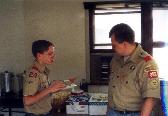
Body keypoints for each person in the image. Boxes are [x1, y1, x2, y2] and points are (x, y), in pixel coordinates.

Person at [107, 23, 160, 116]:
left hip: (134, 113)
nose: (112, 48)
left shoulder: (147, 64)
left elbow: (151, 97)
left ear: (125, 44)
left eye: (114, 45)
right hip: (112, 111)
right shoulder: (115, 59)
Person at [23, 40, 66, 116]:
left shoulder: (43, 70)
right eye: (50, 54)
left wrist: (52, 86)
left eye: (53, 53)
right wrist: (50, 89)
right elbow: (27, 101)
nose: (53, 56)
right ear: (39, 55)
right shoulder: (33, 73)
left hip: (46, 112)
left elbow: (42, 90)